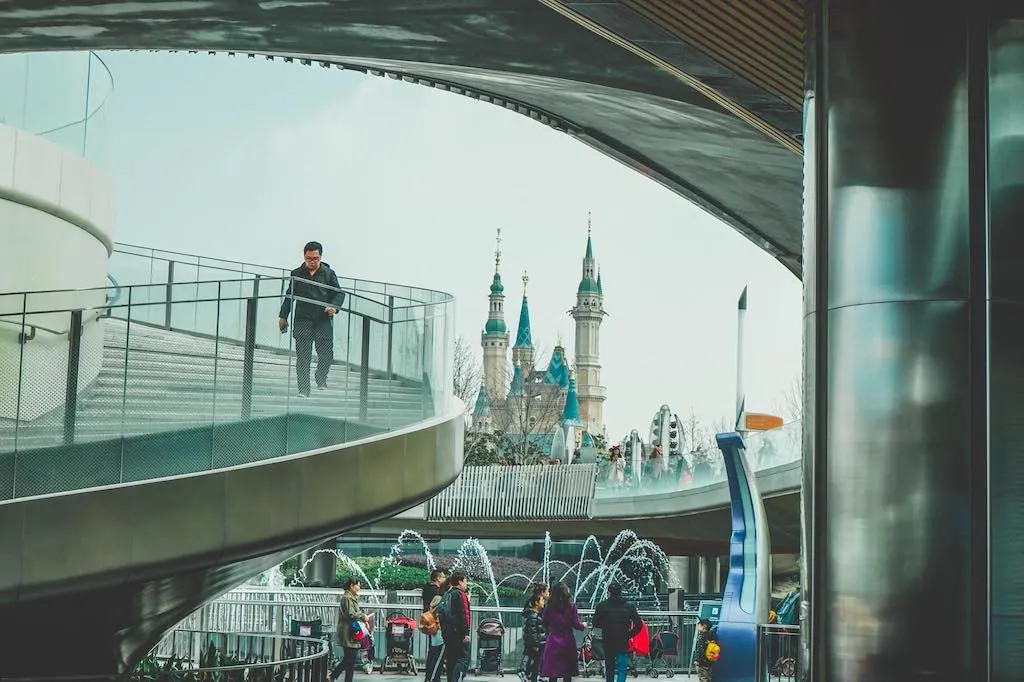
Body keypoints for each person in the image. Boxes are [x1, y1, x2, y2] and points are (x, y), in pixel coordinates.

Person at [278, 240, 345, 397]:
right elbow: (289, 295)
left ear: (321, 257)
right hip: (303, 319)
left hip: (322, 319)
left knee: (327, 354)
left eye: (315, 258)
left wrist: (334, 307)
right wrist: (283, 316)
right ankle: (303, 390)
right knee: (303, 357)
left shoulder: (329, 274)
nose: (312, 262)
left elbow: (339, 293)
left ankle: (320, 378)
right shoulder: (296, 274)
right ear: (304, 256)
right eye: (309, 259)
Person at [591, 583, 642, 682]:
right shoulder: (628, 606)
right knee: (622, 669)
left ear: (609, 593)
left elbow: (595, 623)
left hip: (608, 640)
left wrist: (606, 625)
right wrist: (629, 634)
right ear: (621, 592)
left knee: (609, 668)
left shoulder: (602, 606)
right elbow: (639, 624)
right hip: (623, 641)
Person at [540, 582, 585, 682]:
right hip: (568, 641)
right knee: (567, 672)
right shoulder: (571, 607)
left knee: (553, 672)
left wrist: (549, 633)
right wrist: (584, 626)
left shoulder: (549, 607)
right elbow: (576, 624)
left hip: (553, 640)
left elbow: (545, 622)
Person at [333, 578, 370, 682]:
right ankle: (332, 676)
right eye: (358, 585)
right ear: (351, 586)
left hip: (351, 631)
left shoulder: (351, 597)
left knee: (350, 660)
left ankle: (342, 678)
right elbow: (351, 614)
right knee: (349, 659)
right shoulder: (348, 598)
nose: (359, 588)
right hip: (348, 631)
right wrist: (363, 616)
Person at [440, 571, 472, 682]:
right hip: (458, 635)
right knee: (462, 659)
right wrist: (465, 633)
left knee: (451, 660)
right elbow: (464, 615)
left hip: (447, 634)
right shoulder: (460, 594)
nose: (466, 584)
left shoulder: (447, 594)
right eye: (465, 581)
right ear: (459, 581)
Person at [422, 570, 448, 682]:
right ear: (438, 578)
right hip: (436, 625)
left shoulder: (427, 589)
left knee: (433, 652)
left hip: (430, 624)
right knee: (436, 653)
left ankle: (430, 677)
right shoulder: (435, 592)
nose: (444, 579)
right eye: (443, 577)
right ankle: (433, 677)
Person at [519, 591, 546, 682]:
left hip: (537, 645)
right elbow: (532, 632)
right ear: (536, 602)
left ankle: (531, 677)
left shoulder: (535, 615)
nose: (543, 602)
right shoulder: (533, 616)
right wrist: (536, 644)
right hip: (535, 646)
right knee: (534, 665)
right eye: (542, 600)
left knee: (536, 665)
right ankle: (526, 676)